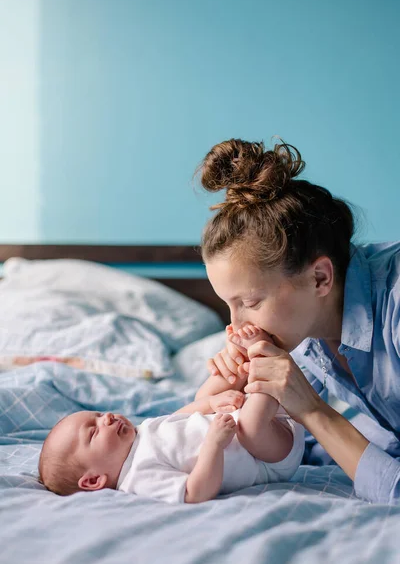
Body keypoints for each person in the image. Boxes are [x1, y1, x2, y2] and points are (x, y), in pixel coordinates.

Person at [196, 136, 400, 505]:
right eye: (229, 305)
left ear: (320, 278)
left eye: (250, 302)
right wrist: (234, 393)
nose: (235, 326)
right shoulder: (303, 333)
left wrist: (311, 409)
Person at [38, 325, 304, 503]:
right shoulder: (137, 477)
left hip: (250, 421)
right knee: (249, 428)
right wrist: (213, 444)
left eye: (97, 414)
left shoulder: (141, 435)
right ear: (94, 480)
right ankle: (268, 366)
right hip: (269, 458)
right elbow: (195, 492)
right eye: (94, 431)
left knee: (200, 397)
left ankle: (241, 360)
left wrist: (212, 402)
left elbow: (183, 414)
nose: (106, 417)